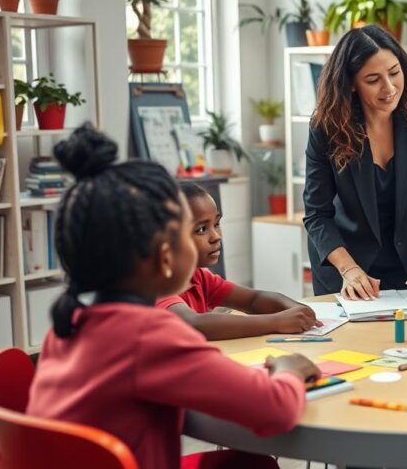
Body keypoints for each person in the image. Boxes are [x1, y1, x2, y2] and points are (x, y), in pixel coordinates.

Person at [27, 125, 321, 469]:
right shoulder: (149, 337)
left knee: (247, 464)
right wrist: (289, 369)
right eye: (191, 230)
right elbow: (275, 410)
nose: (212, 237)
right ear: (166, 256)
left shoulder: (68, 325)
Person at [303, 25, 407, 299]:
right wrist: (349, 270)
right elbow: (317, 214)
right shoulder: (326, 127)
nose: (389, 88)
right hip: (346, 270)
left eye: (395, 73)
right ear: (350, 83)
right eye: (373, 80)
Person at [155, 182, 321, 340]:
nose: (216, 236)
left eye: (217, 223)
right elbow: (193, 324)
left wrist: (296, 309)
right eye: (201, 229)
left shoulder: (199, 277)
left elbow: (253, 299)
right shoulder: (158, 284)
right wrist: (277, 321)